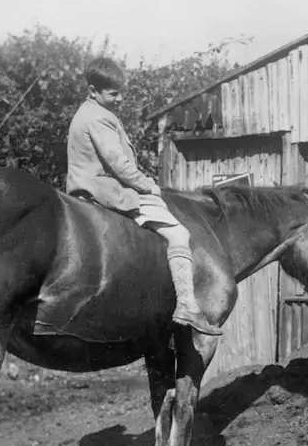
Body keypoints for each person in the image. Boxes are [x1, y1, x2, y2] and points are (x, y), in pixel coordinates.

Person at [66, 57, 221, 336]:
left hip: (87, 187)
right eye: (114, 94)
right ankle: (186, 305)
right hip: (106, 190)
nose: (120, 99)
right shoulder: (98, 118)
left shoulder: (87, 113)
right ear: (92, 90)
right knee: (178, 234)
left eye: (120, 92)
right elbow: (119, 165)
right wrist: (149, 185)